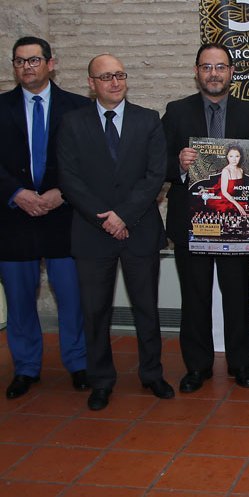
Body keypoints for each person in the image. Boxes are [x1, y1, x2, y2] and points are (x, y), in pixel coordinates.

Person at [0, 36, 92, 400]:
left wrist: (62, 192)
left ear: (51, 63)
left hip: (64, 214)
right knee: (21, 297)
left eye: (34, 60)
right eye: (20, 61)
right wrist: (17, 194)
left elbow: (86, 160)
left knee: (72, 296)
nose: (27, 66)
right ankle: (26, 367)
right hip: (15, 216)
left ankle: (79, 363)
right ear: (14, 66)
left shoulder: (76, 106)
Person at [58, 55, 171, 411]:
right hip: (92, 233)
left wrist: (123, 215)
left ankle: (152, 373)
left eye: (119, 75)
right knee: (95, 311)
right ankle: (101, 380)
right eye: (106, 77)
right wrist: (103, 218)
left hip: (138, 229)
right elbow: (69, 179)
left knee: (146, 309)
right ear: (91, 83)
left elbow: (155, 176)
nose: (115, 82)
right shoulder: (72, 123)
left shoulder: (148, 120)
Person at [163, 43, 249, 392]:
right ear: (196, 71)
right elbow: (156, 163)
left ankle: (241, 365)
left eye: (220, 67)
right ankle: (197, 367)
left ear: (231, 72)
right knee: (195, 298)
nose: (213, 73)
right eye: (206, 67)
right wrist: (179, 166)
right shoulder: (176, 112)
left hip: (235, 228)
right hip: (192, 225)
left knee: (237, 297)